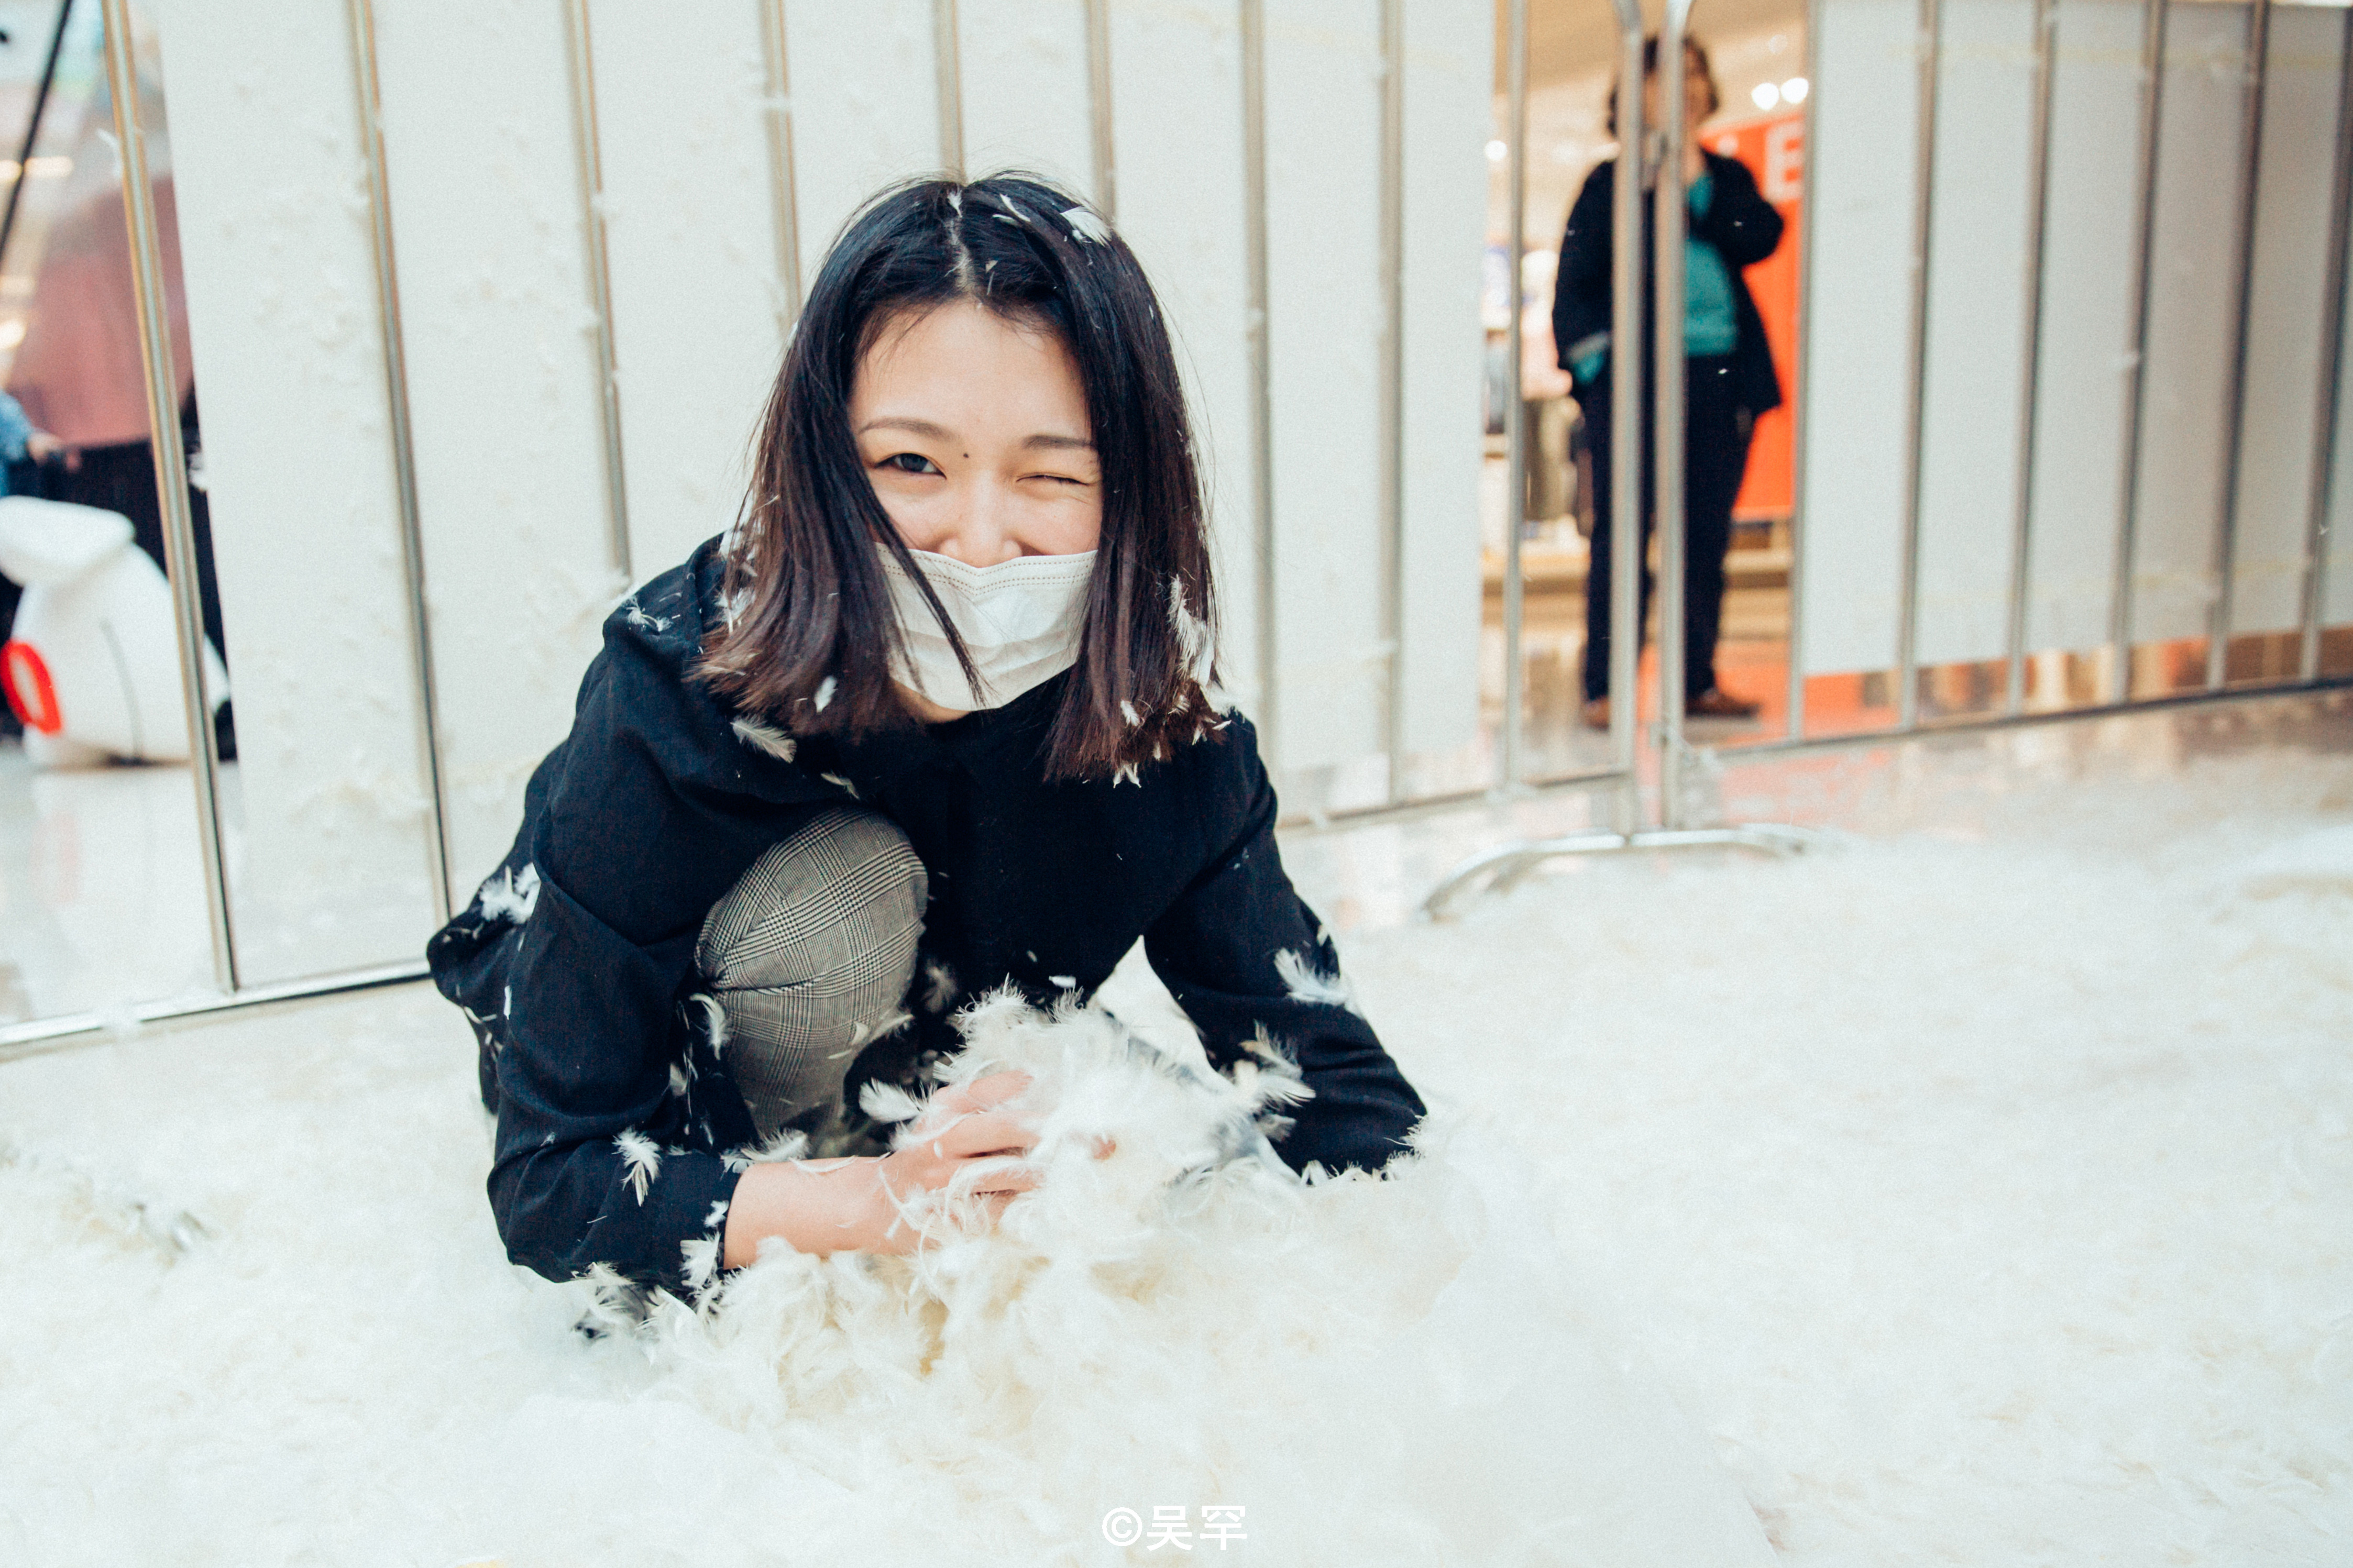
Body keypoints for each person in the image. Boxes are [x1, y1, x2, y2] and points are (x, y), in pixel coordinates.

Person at [426, 173, 1427, 1297]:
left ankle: (907, 1118)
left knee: (1181, 1158)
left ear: (1133, 496)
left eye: (1052, 474)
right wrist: (870, 1204)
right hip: (684, 1087)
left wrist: (1431, 1268)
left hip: (926, 1036)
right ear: (821, 463)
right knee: (847, 892)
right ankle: (822, 1171)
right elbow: (553, 1182)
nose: (979, 540)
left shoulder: (1162, 733)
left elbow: (1323, 1080)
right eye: (911, 464)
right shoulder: (684, 690)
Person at [1552, 35, 1784, 729]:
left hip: (1718, 377)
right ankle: (1605, 688)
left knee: (1704, 539)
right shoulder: (1608, 185)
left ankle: (1695, 682)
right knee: (1622, 537)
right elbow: (1575, 288)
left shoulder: (1723, 176)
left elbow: (1757, 236)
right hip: (1633, 382)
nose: (1683, 87)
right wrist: (1599, 373)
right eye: (1664, 76)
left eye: (1694, 74)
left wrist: (1691, 173)